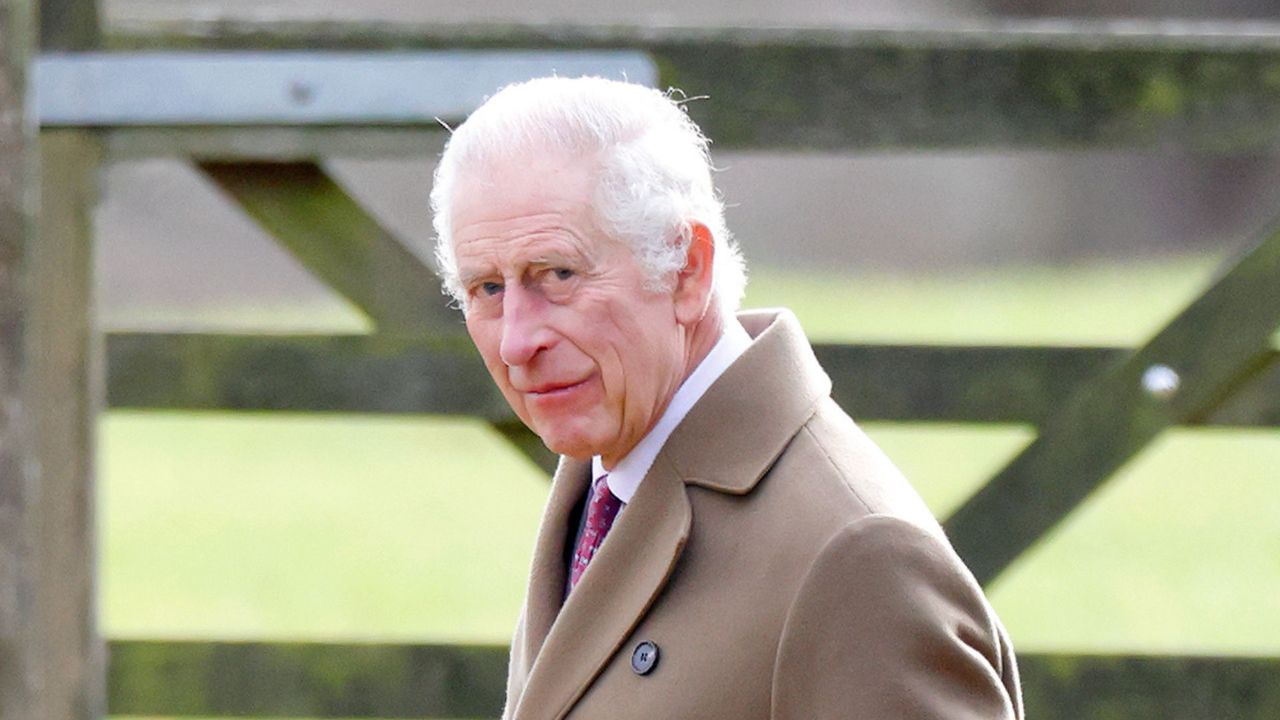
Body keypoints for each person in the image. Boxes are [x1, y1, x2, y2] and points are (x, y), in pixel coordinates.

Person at [430, 76, 1024, 719]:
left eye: (558, 274)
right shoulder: (608, 469)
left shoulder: (860, 559)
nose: (517, 341)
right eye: (487, 288)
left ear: (687, 270)